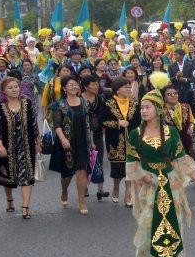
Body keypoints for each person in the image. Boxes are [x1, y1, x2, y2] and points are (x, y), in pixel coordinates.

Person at [126, 86, 195, 257]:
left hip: (170, 182)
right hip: (149, 187)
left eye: (148, 107)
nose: (144, 111)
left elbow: (181, 158)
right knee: (152, 223)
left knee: (172, 223)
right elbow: (131, 162)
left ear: (158, 110)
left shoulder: (171, 132)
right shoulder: (135, 134)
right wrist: (144, 176)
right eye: (142, 108)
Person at [0, 75, 40, 219]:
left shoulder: (27, 103)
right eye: (10, 87)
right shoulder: (0, 107)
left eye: (16, 87)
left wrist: (38, 142)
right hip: (8, 147)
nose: (14, 90)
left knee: (27, 176)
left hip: (26, 145)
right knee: (8, 177)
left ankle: (25, 206)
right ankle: (10, 199)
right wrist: (0, 146)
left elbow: (33, 124)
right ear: (4, 91)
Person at [48, 75, 95, 215]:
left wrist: (92, 141)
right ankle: (64, 191)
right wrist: (63, 139)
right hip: (67, 142)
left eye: (75, 84)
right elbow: (57, 125)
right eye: (70, 85)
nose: (74, 87)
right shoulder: (59, 104)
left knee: (82, 171)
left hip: (83, 142)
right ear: (64, 88)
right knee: (67, 174)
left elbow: (90, 123)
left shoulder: (85, 103)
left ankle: (81, 202)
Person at [102, 76, 141, 206]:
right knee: (118, 169)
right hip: (115, 140)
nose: (129, 89)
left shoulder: (135, 103)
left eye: (130, 86)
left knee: (130, 168)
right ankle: (116, 187)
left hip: (132, 140)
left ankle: (128, 194)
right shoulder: (108, 103)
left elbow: (139, 121)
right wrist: (118, 123)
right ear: (118, 90)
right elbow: (103, 121)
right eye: (126, 87)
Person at [81, 74, 110, 202]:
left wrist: (103, 128)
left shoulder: (100, 99)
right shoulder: (79, 100)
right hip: (82, 134)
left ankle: (100, 189)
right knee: (85, 162)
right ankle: (85, 187)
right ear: (86, 86)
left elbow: (103, 115)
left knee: (98, 159)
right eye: (93, 84)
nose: (96, 86)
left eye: (97, 84)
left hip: (98, 133)